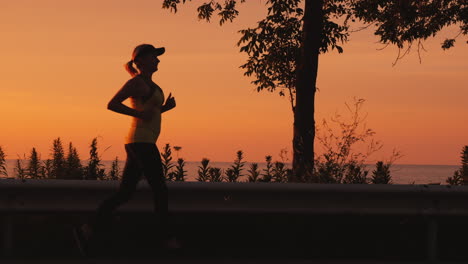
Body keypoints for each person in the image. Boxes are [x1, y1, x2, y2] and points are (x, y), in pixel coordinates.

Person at [74, 44, 179, 254]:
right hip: (140, 141)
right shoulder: (136, 83)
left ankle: (88, 228)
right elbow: (112, 104)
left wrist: (166, 107)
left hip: (143, 141)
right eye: (153, 57)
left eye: (157, 58)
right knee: (160, 189)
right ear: (141, 61)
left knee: (125, 193)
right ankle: (166, 239)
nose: (158, 60)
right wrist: (138, 115)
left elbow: (151, 111)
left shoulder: (148, 83)